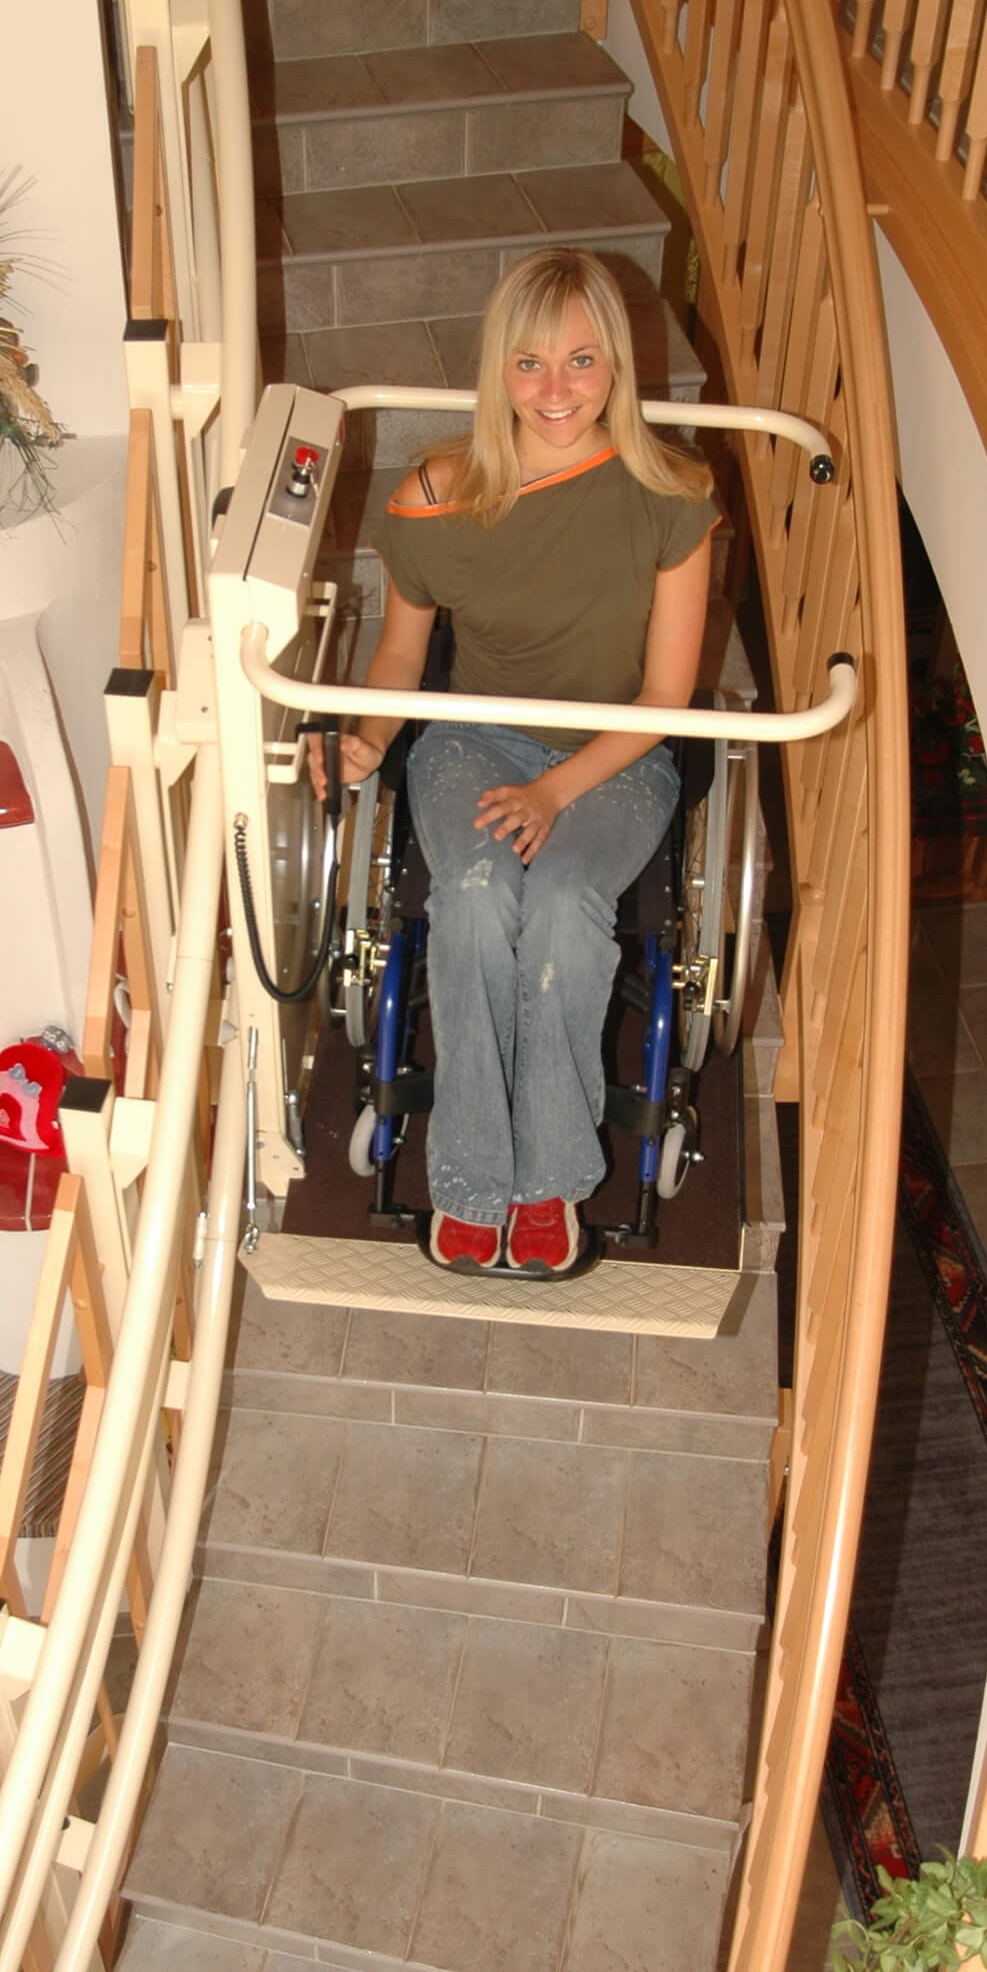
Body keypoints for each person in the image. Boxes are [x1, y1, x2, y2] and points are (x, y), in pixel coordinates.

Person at [315, 248, 718, 1274]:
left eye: (581, 361)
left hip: (614, 754)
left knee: (568, 906)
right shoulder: (436, 495)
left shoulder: (670, 495)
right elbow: (403, 654)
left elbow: (664, 697)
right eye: (531, 363)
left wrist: (554, 788)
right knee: (480, 892)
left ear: (616, 368)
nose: (555, 391)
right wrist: (366, 738)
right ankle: (466, 1179)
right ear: (497, 368)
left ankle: (545, 1182)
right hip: (474, 735)